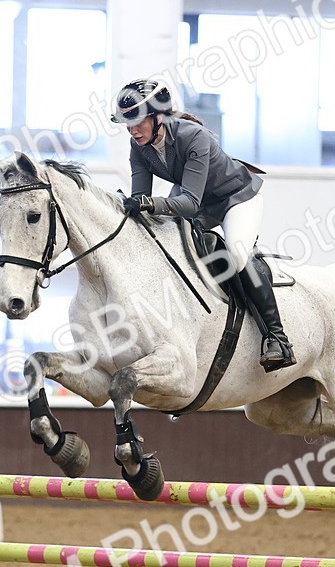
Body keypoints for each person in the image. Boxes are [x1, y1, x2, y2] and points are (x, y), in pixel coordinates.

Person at [111, 79, 296, 373]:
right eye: (126, 123)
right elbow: (141, 199)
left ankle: (277, 338)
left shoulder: (193, 136)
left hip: (236, 198)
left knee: (235, 256)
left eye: (137, 121)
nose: (132, 130)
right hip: (196, 200)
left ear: (158, 116)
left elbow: (189, 204)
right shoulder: (139, 148)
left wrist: (149, 203)